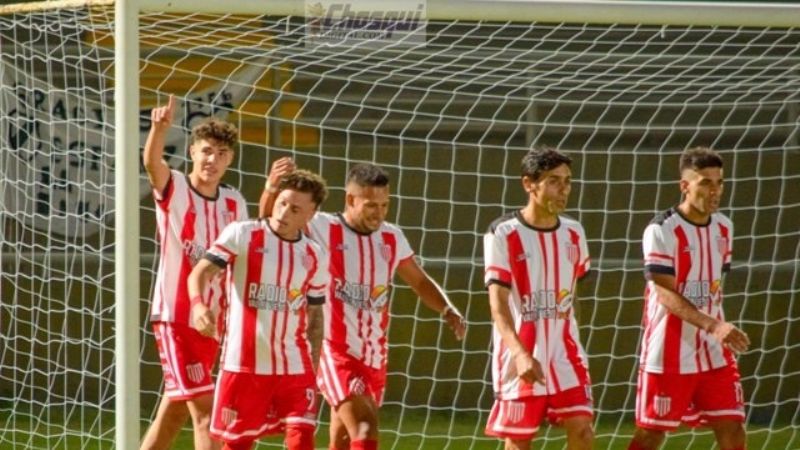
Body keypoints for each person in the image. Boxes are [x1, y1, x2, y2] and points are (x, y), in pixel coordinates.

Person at [259, 160, 467, 450]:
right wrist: (271, 188)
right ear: (350, 199)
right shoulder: (322, 227)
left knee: (342, 440)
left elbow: (419, 280)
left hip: (374, 355)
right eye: (371, 205)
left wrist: (446, 308)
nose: (379, 213)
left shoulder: (391, 237)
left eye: (384, 205)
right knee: (366, 428)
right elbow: (272, 220)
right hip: (335, 350)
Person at [188, 169, 329, 450]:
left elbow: (315, 316)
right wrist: (198, 304)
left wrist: (312, 367)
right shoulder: (243, 233)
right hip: (243, 365)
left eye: (295, 208)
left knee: (302, 439)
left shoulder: (315, 254)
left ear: (310, 214)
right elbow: (200, 273)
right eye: (282, 202)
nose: (284, 212)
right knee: (238, 445)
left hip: (294, 366)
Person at [141, 95, 247, 450]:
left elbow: (246, 247)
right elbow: (152, 165)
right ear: (192, 152)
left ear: (229, 160)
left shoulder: (235, 202)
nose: (212, 160)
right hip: (176, 317)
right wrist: (158, 130)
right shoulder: (177, 187)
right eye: (206, 151)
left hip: (213, 321)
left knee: (174, 412)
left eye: (220, 154)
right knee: (207, 413)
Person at [627, 147, 750, 450]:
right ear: (685, 185)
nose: (715, 190)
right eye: (705, 183)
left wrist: (715, 330)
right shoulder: (661, 230)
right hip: (668, 353)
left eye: (719, 182)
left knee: (733, 429)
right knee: (651, 435)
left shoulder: (724, 227)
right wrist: (714, 325)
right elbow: (665, 293)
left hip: (714, 353)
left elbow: (713, 286)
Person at [483, 147, 594, 450]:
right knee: (519, 442)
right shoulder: (503, 233)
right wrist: (519, 353)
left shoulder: (574, 232)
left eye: (567, 181)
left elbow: (574, 296)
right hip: (521, 354)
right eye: (554, 181)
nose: (564, 189)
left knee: (583, 431)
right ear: (529, 184)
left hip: (565, 355)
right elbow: (498, 304)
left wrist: (572, 338)